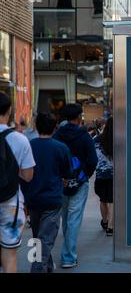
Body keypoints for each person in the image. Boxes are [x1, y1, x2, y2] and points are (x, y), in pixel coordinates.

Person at [21, 113, 72, 273]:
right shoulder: (61, 147)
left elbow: (23, 172)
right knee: (45, 239)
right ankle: (37, 269)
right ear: (54, 127)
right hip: (52, 199)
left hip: (33, 198)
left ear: (36, 126)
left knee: (38, 238)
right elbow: (67, 172)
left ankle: (47, 268)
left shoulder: (29, 145)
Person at [53, 104, 98, 269]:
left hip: (61, 182)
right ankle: (68, 256)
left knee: (65, 218)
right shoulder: (84, 136)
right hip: (79, 182)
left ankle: (68, 252)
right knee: (74, 219)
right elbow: (93, 160)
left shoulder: (57, 136)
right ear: (79, 117)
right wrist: (85, 175)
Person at [0, 92, 35, 273]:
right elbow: (29, 176)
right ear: (9, 110)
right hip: (10, 204)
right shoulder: (20, 139)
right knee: (10, 256)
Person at [94, 117, 114, 236]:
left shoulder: (96, 139)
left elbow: (93, 156)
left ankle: (105, 222)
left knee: (103, 199)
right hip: (114, 175)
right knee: (112, 200)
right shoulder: (119, 139)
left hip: (100, 174)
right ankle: (111, 227)